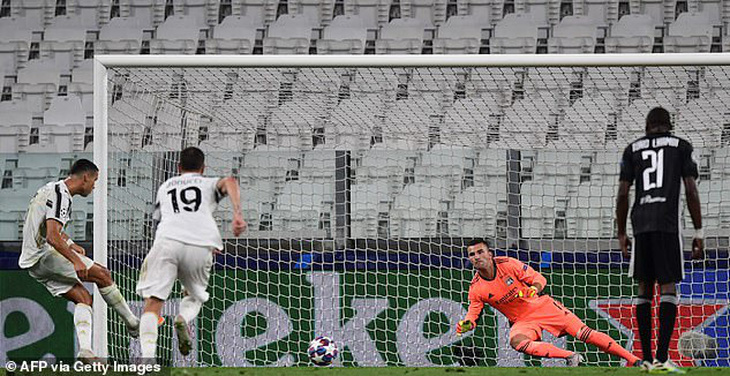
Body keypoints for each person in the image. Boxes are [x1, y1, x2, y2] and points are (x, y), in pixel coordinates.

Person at [19, 159, 139, 361]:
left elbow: (48, 227)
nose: (94, 186)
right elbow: (52, 236)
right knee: (103, 274)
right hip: (44, 255)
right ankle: (133, 323)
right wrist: (75, 259)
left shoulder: (52, 189)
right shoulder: (61, 195)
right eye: (94, 180)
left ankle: (85, 351)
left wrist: (71, 243)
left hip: (33, 262)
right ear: (85, 177)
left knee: (83, 298)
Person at [456, 239, 641, 367]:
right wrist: (467, 324)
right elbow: (472, 316)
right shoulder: (476, 288)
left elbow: (539, 278)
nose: (476, 257)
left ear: (490, 254)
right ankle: (570, 356)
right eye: (472, 254)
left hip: (542, 305)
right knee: (517, 342)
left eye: (480, 252)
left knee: (584, 334)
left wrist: (533, 289)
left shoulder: (508, 263)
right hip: (522, 320)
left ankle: (634, 360)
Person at [136, 147, 247, 360]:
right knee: (194, 296)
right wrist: (237, 214)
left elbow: (159, 217)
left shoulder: (166, 186)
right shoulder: (206, 183)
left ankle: (147, 360)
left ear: (179, 168)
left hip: (167, 241)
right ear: (203, 168)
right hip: (201, 243)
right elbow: (230, 181)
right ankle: (183, 319)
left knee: (153, 302)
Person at [616, 107, 703, 374]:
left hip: (640, 224)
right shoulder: (681, 146)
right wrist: (699, 231)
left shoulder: (633, 148)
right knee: (667, 287)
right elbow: (690, 188)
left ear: (647, 125)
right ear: (669, 124)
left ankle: (645, 359)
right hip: (667, 224)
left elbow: (622, 193)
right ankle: (662, 359)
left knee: (644, 288)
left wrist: (621, 232)